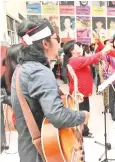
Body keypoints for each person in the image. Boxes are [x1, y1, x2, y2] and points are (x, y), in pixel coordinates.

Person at [11, 19, 89, 162]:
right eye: (56, 38)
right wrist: (82, 116)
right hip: (44, 153)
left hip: (28, 150)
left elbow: (37, 104)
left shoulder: (21, 69)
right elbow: (57, 116)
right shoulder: (40, 72)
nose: (59, 44)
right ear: (45, 43)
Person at [63, 40, 107, 137]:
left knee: (85, 111)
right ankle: (83, 131)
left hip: (83, 92)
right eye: (76, 46)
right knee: (83, 112)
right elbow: (91, 59)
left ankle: (84, 130)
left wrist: (100, 47)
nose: (79, 47)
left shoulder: (78, 58)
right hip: (79, 93)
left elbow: (93, 59)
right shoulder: (74, 60)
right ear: (72, 50)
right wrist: (103, 51)